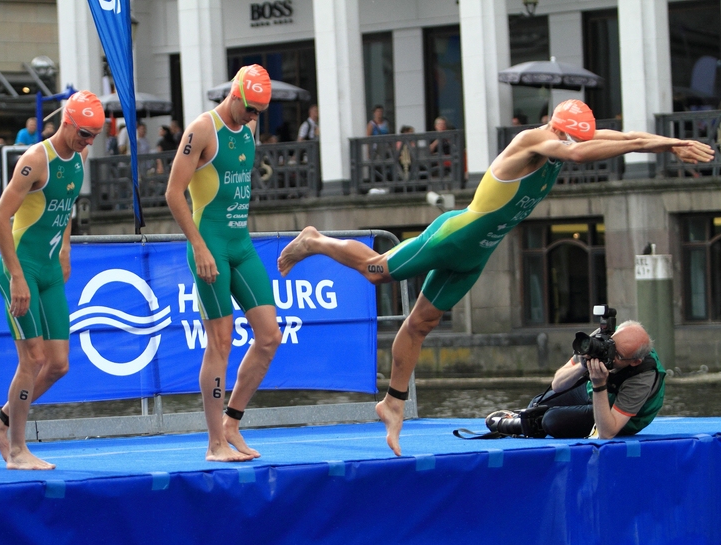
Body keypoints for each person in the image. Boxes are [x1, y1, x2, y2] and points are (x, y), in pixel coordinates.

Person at [277, 99, 714, 456]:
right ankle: (315, 240)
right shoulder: (533, 140)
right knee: (377, 272)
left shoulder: (570, 138)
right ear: (554, 127)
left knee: (420, 324)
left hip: (478, 253)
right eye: (566, 135)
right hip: (455, 235)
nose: (570, 143)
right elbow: (580, 150)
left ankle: (392, 404)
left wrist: (671, 142)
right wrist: (648, 144)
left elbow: (625, 137)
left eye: (575, 136)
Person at [0, 90, 104, 470]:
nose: (88, 142)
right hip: (21, 269)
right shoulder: (35, 160)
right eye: (83, 133)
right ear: (66, 123)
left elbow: (65, 205)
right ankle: (17, 449)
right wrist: (16, 276)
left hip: (49, 268)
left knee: (59, 364)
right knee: (32, 360)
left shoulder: (79, 155)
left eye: (93, 136)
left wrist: (65, 248)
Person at [165, 64, 282, 462]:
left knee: (269, 336)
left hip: (241, 243)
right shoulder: (201, 129)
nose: (253, 118)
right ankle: (214, 443)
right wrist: (197, 245)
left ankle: (233, 421)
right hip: (209, 242)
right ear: (234, 95)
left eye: (258, 113)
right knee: (220, 340)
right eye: (249, 109)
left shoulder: (248, 129)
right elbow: (173, 193)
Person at [490, 320, 665, 439]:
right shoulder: (604, 338)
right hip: (593, 388)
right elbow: (558, 384)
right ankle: (526, 420)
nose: (608, 353)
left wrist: (599, 385)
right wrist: (582, 365)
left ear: (634, 361)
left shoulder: (643, 378)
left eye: (617, 355)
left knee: (552, 421)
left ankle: (521, 425)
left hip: (618, 416)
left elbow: (607, 432)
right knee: (537, 404)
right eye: (610, 345)